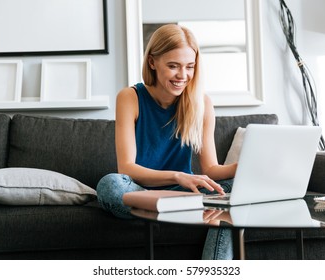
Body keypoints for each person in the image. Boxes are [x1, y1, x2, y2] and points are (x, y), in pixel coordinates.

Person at [97, 24, 238, 260]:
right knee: (110, 185)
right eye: (173, 66)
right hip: (141, 191)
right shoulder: (130, 97)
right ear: (152, 62)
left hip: (182, 193)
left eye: (189, 67)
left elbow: (211, 169)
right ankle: (186, 209)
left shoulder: (202, 103)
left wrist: (244, 168)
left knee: (233, 188)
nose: (182, 76)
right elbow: (127, 169)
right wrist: (177, 175)